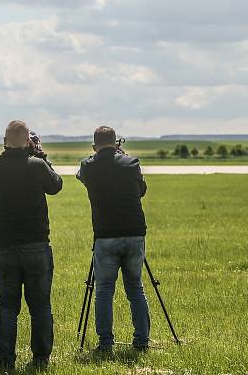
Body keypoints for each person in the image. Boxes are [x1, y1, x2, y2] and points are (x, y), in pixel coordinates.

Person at [0, 120, 63, 371]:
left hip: (4, 246)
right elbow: (56, 186)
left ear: (5, 141)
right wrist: (40, 155)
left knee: (6, 306)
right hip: (36, 244)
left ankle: (6, 360)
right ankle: (41, 358)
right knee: (40, 305)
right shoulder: (37, 166)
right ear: (28, 140)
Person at [76, 125, 150, 353]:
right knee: (135, 288)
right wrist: (122, 155)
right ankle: (141, 341)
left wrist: (101, 154)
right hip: (134, 232)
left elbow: (82, 175)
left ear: (94, 145)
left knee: (104, 291)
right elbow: (142, 190)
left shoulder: (88, 166)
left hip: (105, 234)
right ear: (116, 142)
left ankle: (105, 343)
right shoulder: (131, 163)